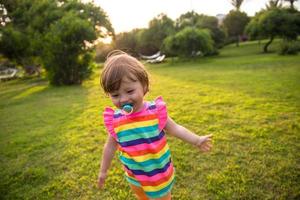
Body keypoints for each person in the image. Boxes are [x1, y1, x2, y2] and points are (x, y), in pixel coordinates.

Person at [97, 50, 213, 200]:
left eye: (130, 91)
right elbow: (110, 146)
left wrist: (197, 140)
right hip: (135, 177)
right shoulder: (116, 120)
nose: (124, 99)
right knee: (142, 197)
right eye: (115, 95)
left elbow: (176, 128)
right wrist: (103, 170)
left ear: (144, 86)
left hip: (158, 177)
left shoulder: (155, 112)